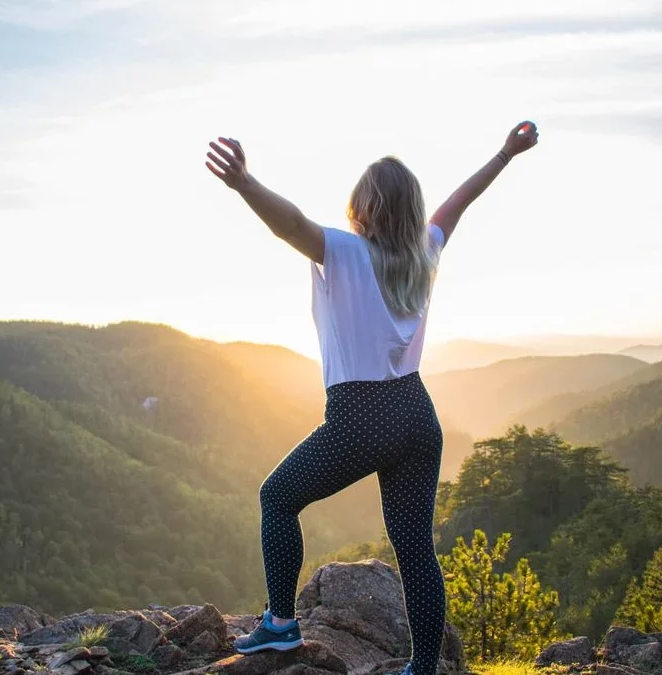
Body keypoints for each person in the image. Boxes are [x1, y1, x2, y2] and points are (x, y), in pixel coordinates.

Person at [205, 121, 539, 675]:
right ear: (411, 210)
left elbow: (288, 223)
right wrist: (505, 153)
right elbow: (459, 202)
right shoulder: (424, 251)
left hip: (362, 414)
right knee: (415, 550)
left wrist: (245, 184)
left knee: (277, 497)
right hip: (416, 412)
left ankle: (281, 626)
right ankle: (424, 667)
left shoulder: (342, 251)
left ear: (363, 205)